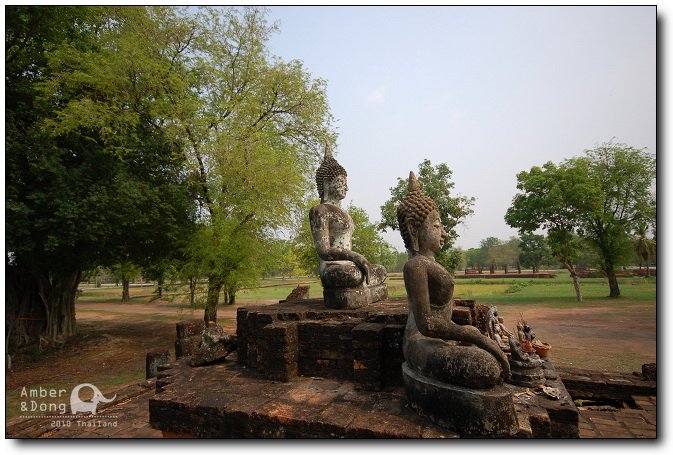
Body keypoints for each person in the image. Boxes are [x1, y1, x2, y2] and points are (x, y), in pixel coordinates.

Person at [397, 172, 510, 389]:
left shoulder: (429, 263)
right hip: (419, 342)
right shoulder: (416, 265)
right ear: (413, 228)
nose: (444, 233)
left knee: (484, 362)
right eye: (438, 226)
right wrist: (473, 333)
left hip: (437, 341)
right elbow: (427, 324)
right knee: (484, 366)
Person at [309, 145, 386, 299]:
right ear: (326, 183)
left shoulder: (345, 214)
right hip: (333, 268)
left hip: (350, 265)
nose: (346, 187)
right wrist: (354, 256)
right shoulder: (320, 211)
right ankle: (361, 289)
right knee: (352, 274)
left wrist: (356, 260)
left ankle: (362, 289)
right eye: (341, 182)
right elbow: (324, 251)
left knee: (381, 270)